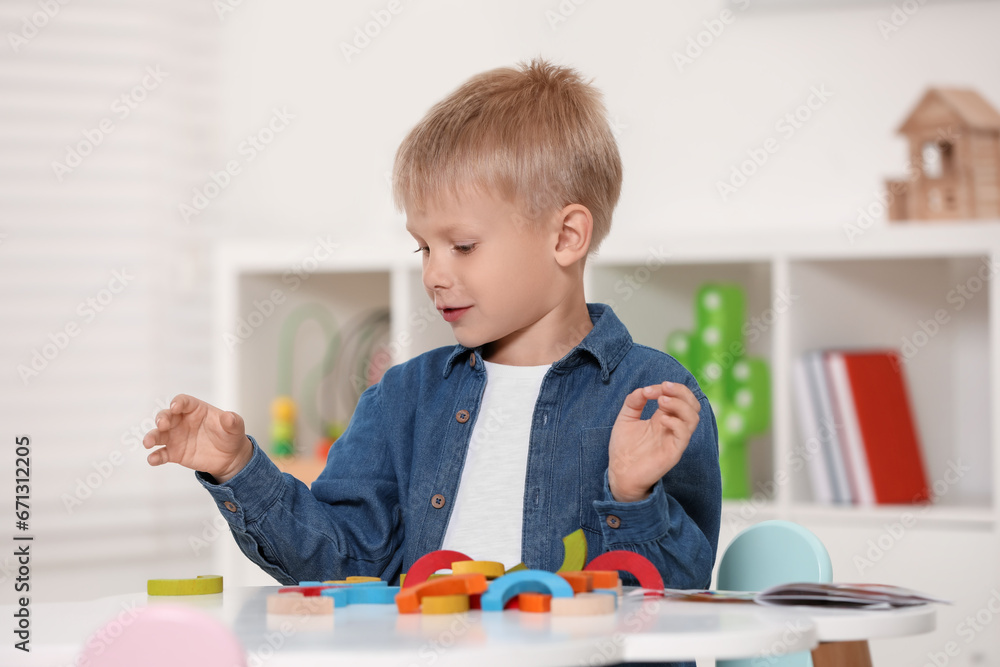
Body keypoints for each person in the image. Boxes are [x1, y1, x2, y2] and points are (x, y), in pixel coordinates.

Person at [144, 58, 721, 604]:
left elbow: (676, 603)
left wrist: (632, 497)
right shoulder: (402, 399)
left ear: (566, 237)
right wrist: (239, 467)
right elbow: (340, 565)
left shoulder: (654, 397)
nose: (435, 274)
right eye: (423, 247)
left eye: (463, 246)